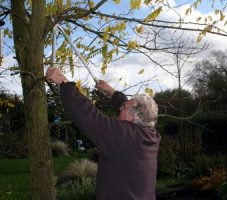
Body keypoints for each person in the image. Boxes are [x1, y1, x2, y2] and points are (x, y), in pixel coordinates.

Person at [46, 67, 161, 200]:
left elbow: (88, 116)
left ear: (132, 116)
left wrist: (63, 83)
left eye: (124, 107)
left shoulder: (123, 135)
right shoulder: (150, 135)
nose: (120, 108)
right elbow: (128, 107)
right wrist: (112, 93)